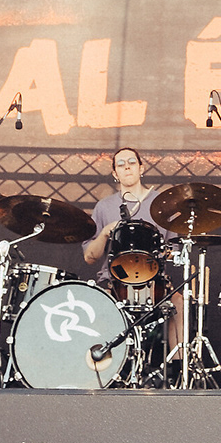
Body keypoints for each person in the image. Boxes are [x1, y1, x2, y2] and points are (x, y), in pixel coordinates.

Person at [80, 147, 183, 355]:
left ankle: (179, 367)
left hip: (154, 282)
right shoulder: (104, 207)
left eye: (132, 162)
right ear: (115, 174)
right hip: (113, 281)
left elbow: (176, 251)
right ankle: (104, 364)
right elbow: (89, 257)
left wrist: (160, 253)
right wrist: (105, 233)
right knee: (96, 304)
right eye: (121, 164)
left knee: (180, 303)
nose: (127, 167)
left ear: (141, 168)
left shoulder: (162, 203)